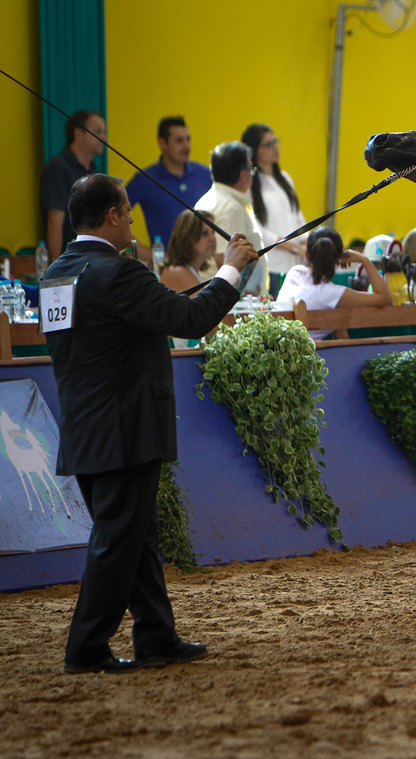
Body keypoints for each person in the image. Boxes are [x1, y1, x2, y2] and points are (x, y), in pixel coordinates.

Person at [43, 173, 258, 674]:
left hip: (84, 427)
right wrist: (230, 271)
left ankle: (156, 636)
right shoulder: (119, 272)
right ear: (114, 215)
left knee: (135, 536)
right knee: (118, 540)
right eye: (128, 211)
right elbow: (190, 319)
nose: (133, 219)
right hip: (126, 427)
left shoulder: (57, 273)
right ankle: (86, 647)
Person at [276, 227, 392, 339]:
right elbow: (385, 298)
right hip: (307, 355)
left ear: (307, 255)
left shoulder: (295, 272)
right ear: (339, 258)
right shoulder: (332, 293)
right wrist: (364, 260)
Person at [125, 116, 213, 263]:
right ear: (162, 143)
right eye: (179, 141)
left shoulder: (204, 174)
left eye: (188, 139)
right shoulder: (145, 179)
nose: (186, 146)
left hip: (205, 264)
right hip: (167, 266)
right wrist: (147, 253)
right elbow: (116, 217)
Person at [195, 141, 268, 295]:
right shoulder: (230, 208)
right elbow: (224, 260)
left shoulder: (213, 199)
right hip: (231, 303)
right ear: (243, 174)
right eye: (251, 169)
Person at [241, 124, 307, 274]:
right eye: (268, 144)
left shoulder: (285, 178)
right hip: (272, 264)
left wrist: (308, 243)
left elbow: (297, 216)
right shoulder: (249, 184)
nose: (275, 147)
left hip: (295, 263)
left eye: (276, 141)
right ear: (254, 150)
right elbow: (255, 226)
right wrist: (292, 247)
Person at [40, 111, 106, 260]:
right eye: (98, 132)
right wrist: (56, 269)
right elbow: (54, 222)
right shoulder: (58, 168)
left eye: (104, 132)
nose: (103, 137)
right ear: (79, 134)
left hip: (93, 261)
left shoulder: (94, 172)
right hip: (69, 261)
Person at [160, 210, 217, 294]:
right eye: (204, 233)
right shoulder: (177, 272)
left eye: (213, 232)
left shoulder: (187, 269)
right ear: (187, 237)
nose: (212, 238)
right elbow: (206, 306)